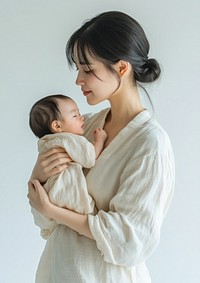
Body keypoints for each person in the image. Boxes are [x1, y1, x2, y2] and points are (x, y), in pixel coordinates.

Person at [27, 11, 175, 283]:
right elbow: (45, 223)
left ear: (121, 68)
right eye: (78, 70)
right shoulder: (83, 127)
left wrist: (54, 211)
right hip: (56, 272)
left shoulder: (149, 143)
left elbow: (130, 241)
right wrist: (39, 177)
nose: (78, 81)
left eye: (88, 70)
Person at [29, 94, 107, 239]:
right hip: (65, 190)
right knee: (87, 209)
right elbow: (89, 158)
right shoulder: (69, 139)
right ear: (57, 126)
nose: (82, 117)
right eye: (75, 115)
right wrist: (99, 141)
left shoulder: (45, 142)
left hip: (50, 192)